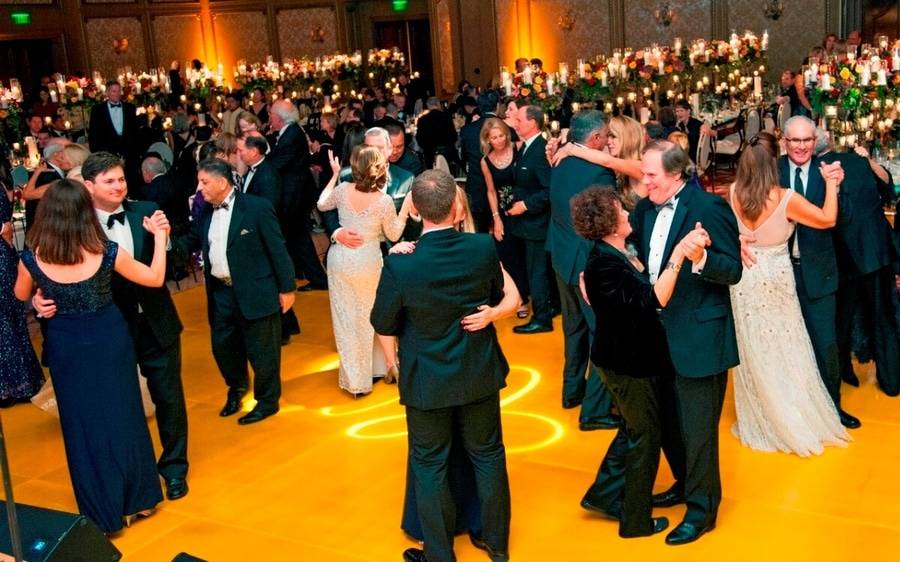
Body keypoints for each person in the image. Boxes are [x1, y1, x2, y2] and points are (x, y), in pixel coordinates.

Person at [371, 169, 512, 562]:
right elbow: (497, 295)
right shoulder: (483, 248)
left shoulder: (401, 264)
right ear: (455, 206)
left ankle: (439, 554)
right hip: (478, 370)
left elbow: (383, 322)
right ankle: (497, 545)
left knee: (429, 466)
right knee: (488, 455)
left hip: (426, 379)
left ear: (413, 209)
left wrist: (396, 362)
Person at [14, 178, 167, 534]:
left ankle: (103, 512)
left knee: (81, 427)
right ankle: (140, 500)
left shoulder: (31, 259)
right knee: (124, 415)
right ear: (84, 214)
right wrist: (159, 239)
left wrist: (39, 298)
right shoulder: (106, 251)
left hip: (66, 345)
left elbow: (21, 294)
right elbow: (155, 278)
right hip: (109, 340)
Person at [630, 141, 742, 546]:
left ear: (676, 174)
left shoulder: (709, 209)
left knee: (699, 432)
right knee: (670, 425)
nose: (643, 182)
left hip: (700, 337)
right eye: (643, 173)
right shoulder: (644, 209)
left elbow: (733, 271)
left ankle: (702, 510)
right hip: (656, 336)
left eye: (651, 175)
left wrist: (701, 259)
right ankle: (683, 483)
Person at [575, 187, 700, 538]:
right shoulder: (603, 264)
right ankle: (635, 520)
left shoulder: (618, 251)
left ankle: (603, 494)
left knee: (634, 428)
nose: (628, 214)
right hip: (628, 363)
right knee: (645, 436)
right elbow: (654, 298)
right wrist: (678, 255)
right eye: (621, 211)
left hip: (630, 357)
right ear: (610, 224)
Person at [728, 135, 850, 455]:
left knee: (755, 350)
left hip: (745, 281)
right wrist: (831, 186)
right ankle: (792, 416)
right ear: (773, 166)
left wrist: (738, 240)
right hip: (778, 281)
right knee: (788, 347)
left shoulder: (732, 192)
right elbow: (827, 218)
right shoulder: (785, 198)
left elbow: (727, 231)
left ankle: (763, 416)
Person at [176, 158, 296, 425]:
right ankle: (237, 389)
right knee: (224, 347)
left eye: (204, 182)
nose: (199, 188)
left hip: (256, 291)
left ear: (221, 182)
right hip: (221, 293)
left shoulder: (256, 208)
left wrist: (287, 289)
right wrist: (162, 245)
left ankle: (267, 401)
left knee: (263, 351)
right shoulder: (204, 211)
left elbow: (278, 249)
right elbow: (191, 241)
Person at [317, 146, 411, 396]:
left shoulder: (342, 189)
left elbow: (321, 203)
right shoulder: (384, 201)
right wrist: (405, 209)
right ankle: (383, 367)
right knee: (373, 315)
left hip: (340, 261)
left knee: (346, 320)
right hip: (368, 262)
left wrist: (334, 174)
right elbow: (393, 234)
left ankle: (357, 381)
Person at [546, 110, 617, 430]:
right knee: (604, 333)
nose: (610, 140)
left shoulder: (560, 163)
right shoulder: (599, 173)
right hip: (586, 262)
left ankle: (571, 391)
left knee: (573, 330)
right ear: (595, 139)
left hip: (561, 256)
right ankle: (594, 410)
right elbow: (604, 223)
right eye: (607, 135)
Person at [819, 143, 900, 396]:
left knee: (841, 319)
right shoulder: (859, 161)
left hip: (844, 256)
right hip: (877, 251)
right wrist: (868, 160)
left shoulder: (817, 170)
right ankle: (891, 381)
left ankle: (844, 371)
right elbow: (889, 189)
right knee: (883, 317)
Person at [508, 104, 554, 334]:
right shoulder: (527, 147)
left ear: (533, 123)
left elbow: (549, 190)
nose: (515, 124)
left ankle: (542, 318)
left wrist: (525, 205)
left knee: (537, 273)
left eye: (520, 120)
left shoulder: (540, 151)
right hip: (527, 224)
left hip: (538, 224)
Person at [481, 117, 530, 319]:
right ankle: (520, 299)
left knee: (527, 253)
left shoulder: (519, 148)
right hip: (504, 211)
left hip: (525, 207)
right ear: (488, 139)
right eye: (494, 137)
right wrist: (496, 218)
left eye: (501, 135)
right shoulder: (486, 161)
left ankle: (533, 292)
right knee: (509, 255)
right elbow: (491, 191)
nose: (499, 140)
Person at [0, 183, 44, 407]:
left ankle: (10, 387)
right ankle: (26, 381)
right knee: (11, 319)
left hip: (3, 257)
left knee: (7, 321)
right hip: (4, 256)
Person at [552, 114, 646, 208]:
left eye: (613, 136)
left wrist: (571, 148)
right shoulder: (616, 165)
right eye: (608, 136)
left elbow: (607, 161)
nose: (608, 141)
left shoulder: (641, 166)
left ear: (628, 138)